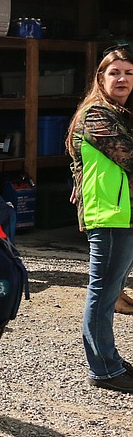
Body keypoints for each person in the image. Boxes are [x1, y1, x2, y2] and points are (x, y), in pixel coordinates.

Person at [67, 45, 133, 393]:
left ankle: (109, 360)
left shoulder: (119, 113)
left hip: (122, 214)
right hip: (109, 216)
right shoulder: (97, 115)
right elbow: (128, 157)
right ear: (100, 78)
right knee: (103, 295)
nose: (122, 79)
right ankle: (104, 369)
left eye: (128, 73)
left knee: (110, 292)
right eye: (114, 72)